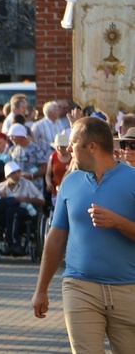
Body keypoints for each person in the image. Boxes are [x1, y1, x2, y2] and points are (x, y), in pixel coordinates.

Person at [32, 117, 135, 352]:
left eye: (72, 143)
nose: (68, 150)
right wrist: (41, 290)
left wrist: (117, 222)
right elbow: (56, 238)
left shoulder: (132, 180)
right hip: (79, 287)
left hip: (128, 289)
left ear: (92, 146)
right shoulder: (70, 182)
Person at [0, 161, 44, 258]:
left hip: (23, 213)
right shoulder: (2, 186)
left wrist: (24, 199)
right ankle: (8, 242)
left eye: (18, 172)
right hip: (4, 218)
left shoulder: (27, 184)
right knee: (5, 204)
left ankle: (13, 243)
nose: (16, 175)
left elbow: (42, 201)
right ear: (7, 176)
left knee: (12, 209)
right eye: (13, 173)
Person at [7, 123, 47, 193]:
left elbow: (44, 167)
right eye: (10, 136)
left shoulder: (35, 149)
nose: (11, 139)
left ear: (21, 135)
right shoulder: (12, 150)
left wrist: (31, 176)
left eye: (13, 136)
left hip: (35, 188)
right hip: (18, 189)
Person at [44, 132, 72, 207]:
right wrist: (49, 183)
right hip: (56, 192)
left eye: (62, 147)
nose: (59, 149)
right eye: (58, 146)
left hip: (71, 191)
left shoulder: (73, 157)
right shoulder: (53, 156)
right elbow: (48, 174)